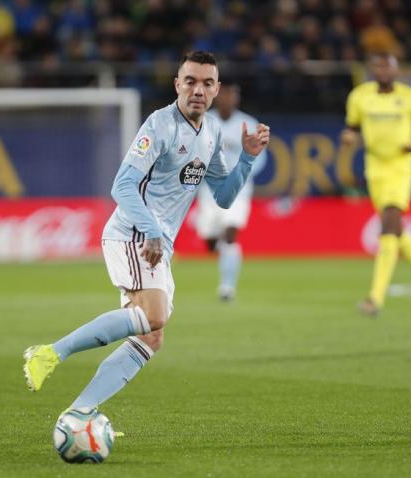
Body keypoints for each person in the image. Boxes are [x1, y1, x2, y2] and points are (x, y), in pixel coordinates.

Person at [23, 51, 270, 410]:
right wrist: (151, 229)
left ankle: (80, 411)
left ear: (216, 90)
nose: (197, 90)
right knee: (155, 316)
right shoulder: (160, 125)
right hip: (134, 233)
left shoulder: (213, 131)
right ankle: (49, 353)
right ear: (177, 85)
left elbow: (224, 196)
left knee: (151, 337)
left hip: (158, 240)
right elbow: (122, 186)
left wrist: (246, 158)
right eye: (190, 81)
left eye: (206, 83)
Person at [341, 52, 411, 316]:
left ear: (397, 70)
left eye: (388, 67)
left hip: (401, 165)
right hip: (375, 166)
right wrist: (349, 137)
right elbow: (352, 127)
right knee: (395, 229)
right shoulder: (359, 97)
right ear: (372, 70)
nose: (383, 71)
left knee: (388, 225)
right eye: (378, 66)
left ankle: (375, 299)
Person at [195, 82, 267, 301]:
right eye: (225, 94)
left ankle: (227, 287)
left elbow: (259, 158)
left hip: (238, 190)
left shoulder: (249, 124)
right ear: (217, 96)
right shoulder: (205, 122)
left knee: (230, 233)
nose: (229, 99)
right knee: (209, 242)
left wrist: (241, 176)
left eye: (233, 95)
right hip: (209, 190)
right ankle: (226, 255)